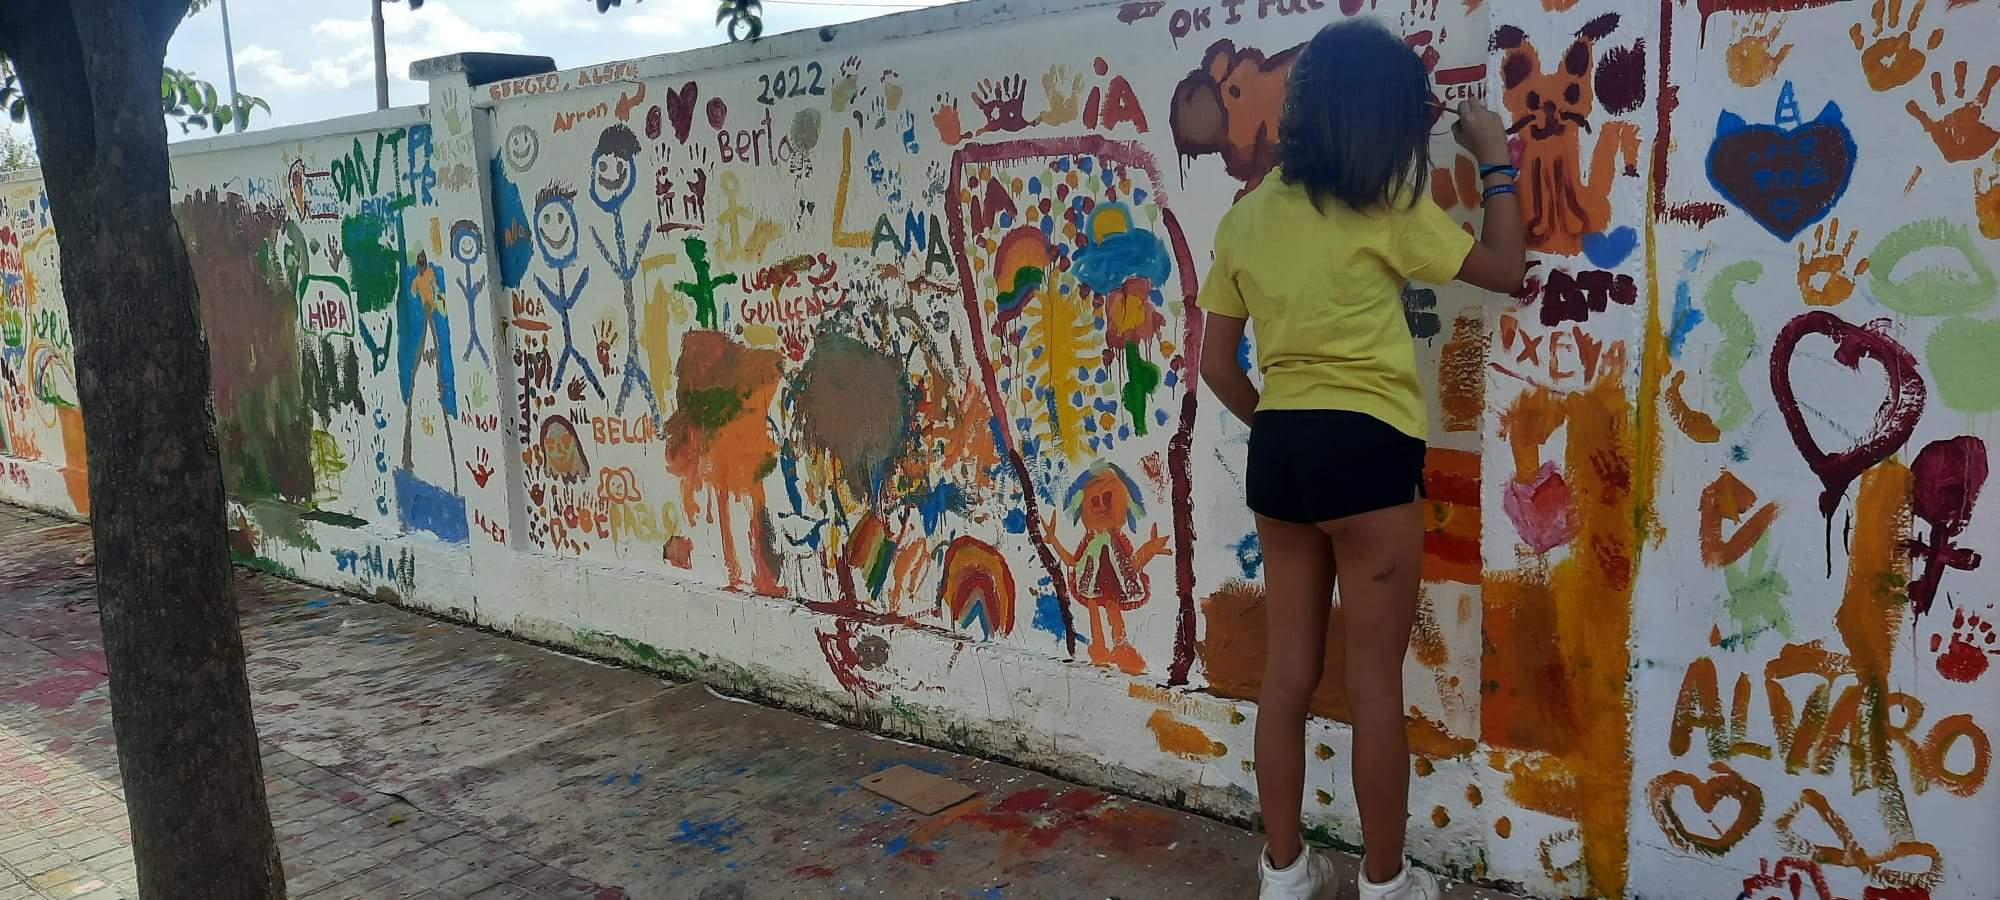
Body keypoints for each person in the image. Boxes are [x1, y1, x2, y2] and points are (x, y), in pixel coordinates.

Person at [1196, 19, 1526, 900]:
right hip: (1369, 447)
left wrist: (1282, 423)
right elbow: (1505, 267)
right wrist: (1494, 157)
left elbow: (1216, 366)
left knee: (1287, 674)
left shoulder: (1247, 217)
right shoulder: (1387, 204)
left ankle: (1285, 874)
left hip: (1284, 452)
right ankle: (1386, 885)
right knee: (1375, 682)